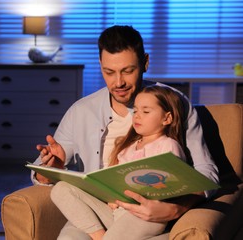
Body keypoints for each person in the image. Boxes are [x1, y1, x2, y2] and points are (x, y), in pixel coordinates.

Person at [32, 25, 219, 238]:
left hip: (147, 213)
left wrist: (177, 207)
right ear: (100, 65)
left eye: (128, 71)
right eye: (109, 72)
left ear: (145, 63)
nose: (118, 82)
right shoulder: (81, 111)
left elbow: (207, 172)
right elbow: (40, 174)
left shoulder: (172, 103)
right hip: (101, 210)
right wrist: (52, 169)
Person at [50, 85, 189, 240]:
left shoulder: (168, 145)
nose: (137, 116)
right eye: (135, 111)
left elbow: (173, 187)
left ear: (167, 118)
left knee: (138, 219)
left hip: (145, 215)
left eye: (146, 111)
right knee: (61, 189)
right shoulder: (127, 147)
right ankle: (99, 236)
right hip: (115, 211)